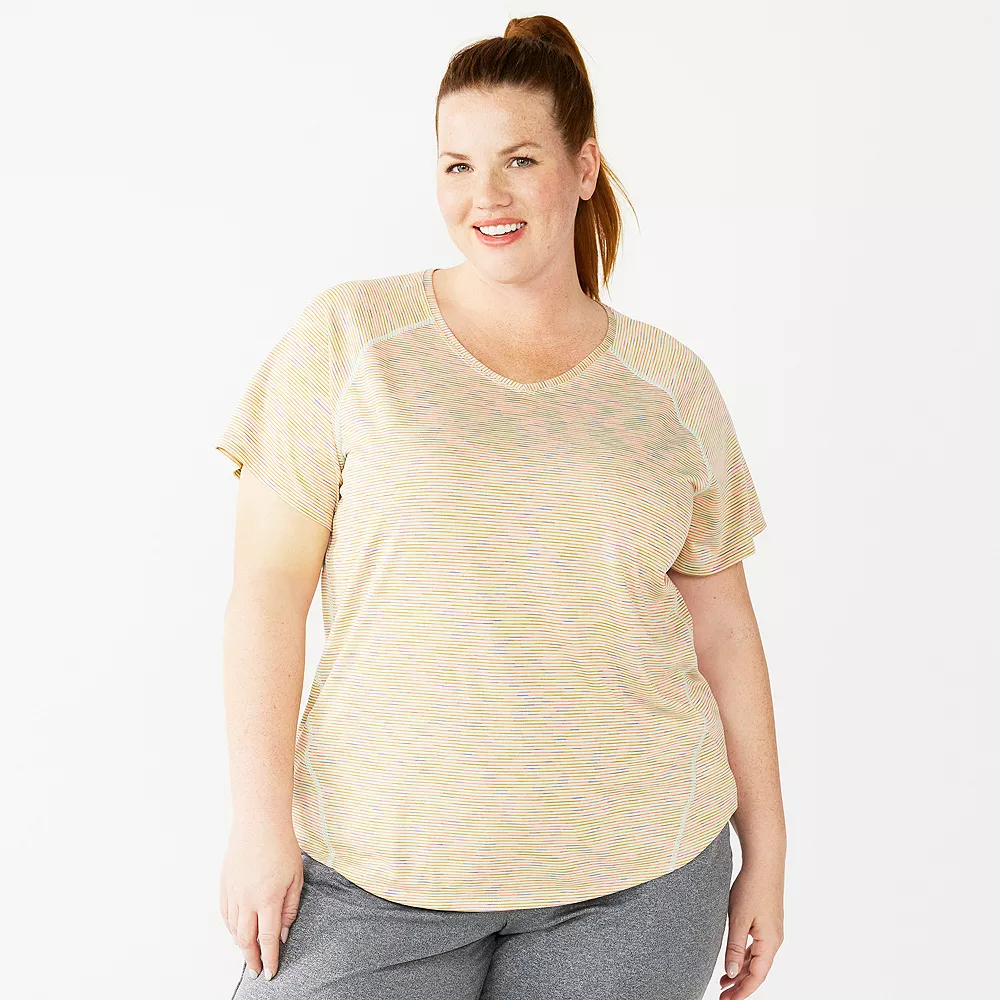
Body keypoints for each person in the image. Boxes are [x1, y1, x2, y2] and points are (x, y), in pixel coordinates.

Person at [216, 14, 785, 1000]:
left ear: (583, 166)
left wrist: (765, 852)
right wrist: (258, 822)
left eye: (519, 160)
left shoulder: (669, 384)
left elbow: (725, 631)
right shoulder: (351, 339)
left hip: (638, 874)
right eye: (457, 165)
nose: (485, 195)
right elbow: (267, 589)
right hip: (373, 868)